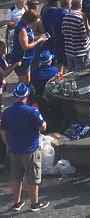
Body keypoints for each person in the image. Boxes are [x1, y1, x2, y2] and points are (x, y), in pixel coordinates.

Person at [0, 83, 48, 212]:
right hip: (30, 150)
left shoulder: (6, 112)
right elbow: (43, 126)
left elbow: (3, 131)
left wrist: (8, 144)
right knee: (33, 177)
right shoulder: (32, 111)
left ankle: (17, 203)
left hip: (13, 149)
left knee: (16, 177)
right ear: (26, 95)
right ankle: (34, 204)